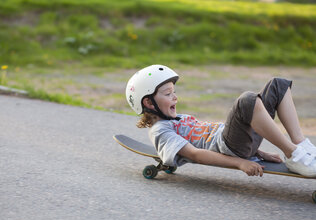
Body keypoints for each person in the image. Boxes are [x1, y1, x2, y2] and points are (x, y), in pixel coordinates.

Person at [125, 64, 316, 177]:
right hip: (229, 147)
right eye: (168, 93)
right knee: (247, 101)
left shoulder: (177, 118)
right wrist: (240, 163)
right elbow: (196, 154)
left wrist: (259, 152)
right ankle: (294, 155)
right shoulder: (161, 131)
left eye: (174, 92)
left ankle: (301, 145)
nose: (175, 97)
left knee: (278, 84)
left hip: (238, 142)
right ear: (149, 102)